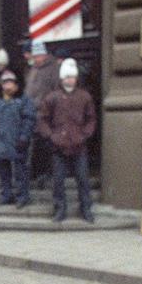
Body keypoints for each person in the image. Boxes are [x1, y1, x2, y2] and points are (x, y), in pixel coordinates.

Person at [38, 58, 96, 223]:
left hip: (79, 145)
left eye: (73, 77)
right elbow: (42, 120)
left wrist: (85, 135)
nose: (70, 80)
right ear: (62, 78)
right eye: (67, 77)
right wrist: (51, 136)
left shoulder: (85, 97)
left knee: (83, 179)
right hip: (58, 146)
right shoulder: (51, 97)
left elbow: (91, 119)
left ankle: (86, 209)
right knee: (58, 181)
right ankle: (59, 209)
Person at [0, 70, 36, 208]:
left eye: (10, 82)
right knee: (4, 172)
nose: (8, 86)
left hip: (18, 142)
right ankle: (6, 195)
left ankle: (22, 197)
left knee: (21, 172)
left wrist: (24, 137)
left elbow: (29, 120)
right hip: (1, 143)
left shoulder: (24, 100)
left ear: (16, 84)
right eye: (5, 83)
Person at [23, 40, 62, 189]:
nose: (35, 58)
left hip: (46, 114)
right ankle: (35, 173)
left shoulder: (53, 69)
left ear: (44, 55)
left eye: (38, 55)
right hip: (31, 113)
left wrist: (45, 105)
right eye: (34, 55)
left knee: (46, 145)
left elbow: (55, 90)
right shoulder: (33, 68)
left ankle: (47, 174)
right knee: (33, 146)